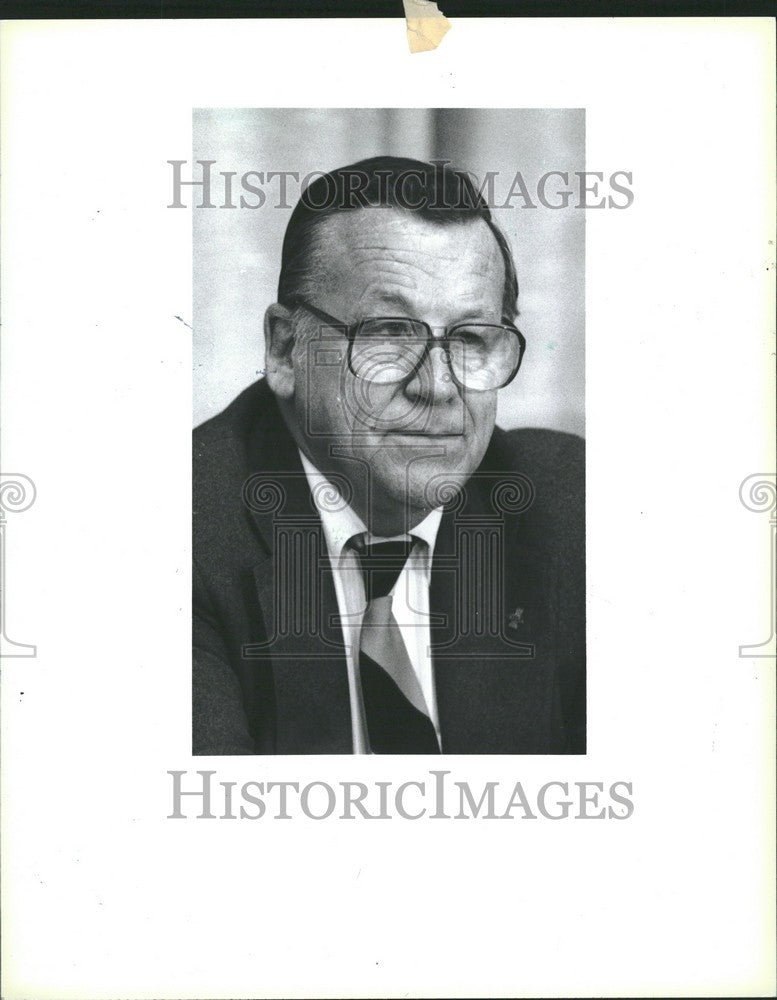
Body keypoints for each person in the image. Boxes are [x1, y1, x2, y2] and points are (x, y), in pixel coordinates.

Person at [193, 156, 585, 755]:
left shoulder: (570, 509)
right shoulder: (181, 529)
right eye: (389, 334)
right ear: (284, 349)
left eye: (472, 339)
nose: (438, 385)